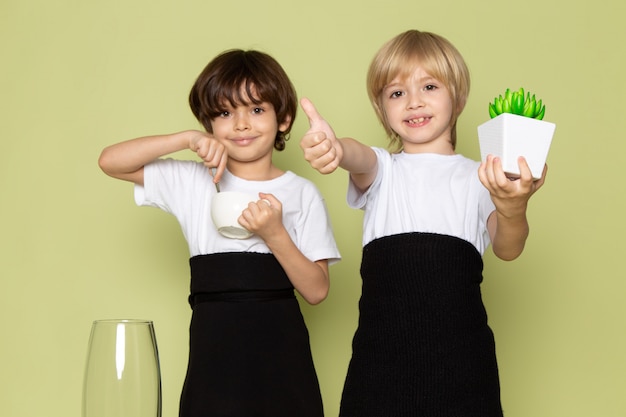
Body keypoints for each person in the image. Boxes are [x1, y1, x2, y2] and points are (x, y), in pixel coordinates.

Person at [299, 30, 547, 416]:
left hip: (462, 369)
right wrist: (335, 147)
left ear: (458, 97)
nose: (413, 101)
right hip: (379, 367)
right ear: (382, 109)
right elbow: (358, 156)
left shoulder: (480, 176)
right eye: (396, 93)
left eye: (429, 86)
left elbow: (508, 248)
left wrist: (513, 206)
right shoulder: (384, 170)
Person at [99, 49, 340, 417]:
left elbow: (317, 290)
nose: (241, 124)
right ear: (208, 122)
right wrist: (185, 139)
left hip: (281, 355)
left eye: (257, 110)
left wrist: (275, 234)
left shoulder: (302, 192)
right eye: (225, 113)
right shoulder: (192, 181)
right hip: (214, 351)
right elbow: (110, 162)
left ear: (285, 119)